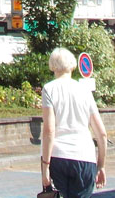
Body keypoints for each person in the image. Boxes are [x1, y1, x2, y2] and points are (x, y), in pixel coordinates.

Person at [40, 46, 107, 197]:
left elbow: (49, 131)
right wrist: (101, 165)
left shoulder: (49, 89)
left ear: (53, 65)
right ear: (72, 65)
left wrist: (45, 167)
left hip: (58, 156)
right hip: (85, 157)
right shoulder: (85, 90)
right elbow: (101, 134)